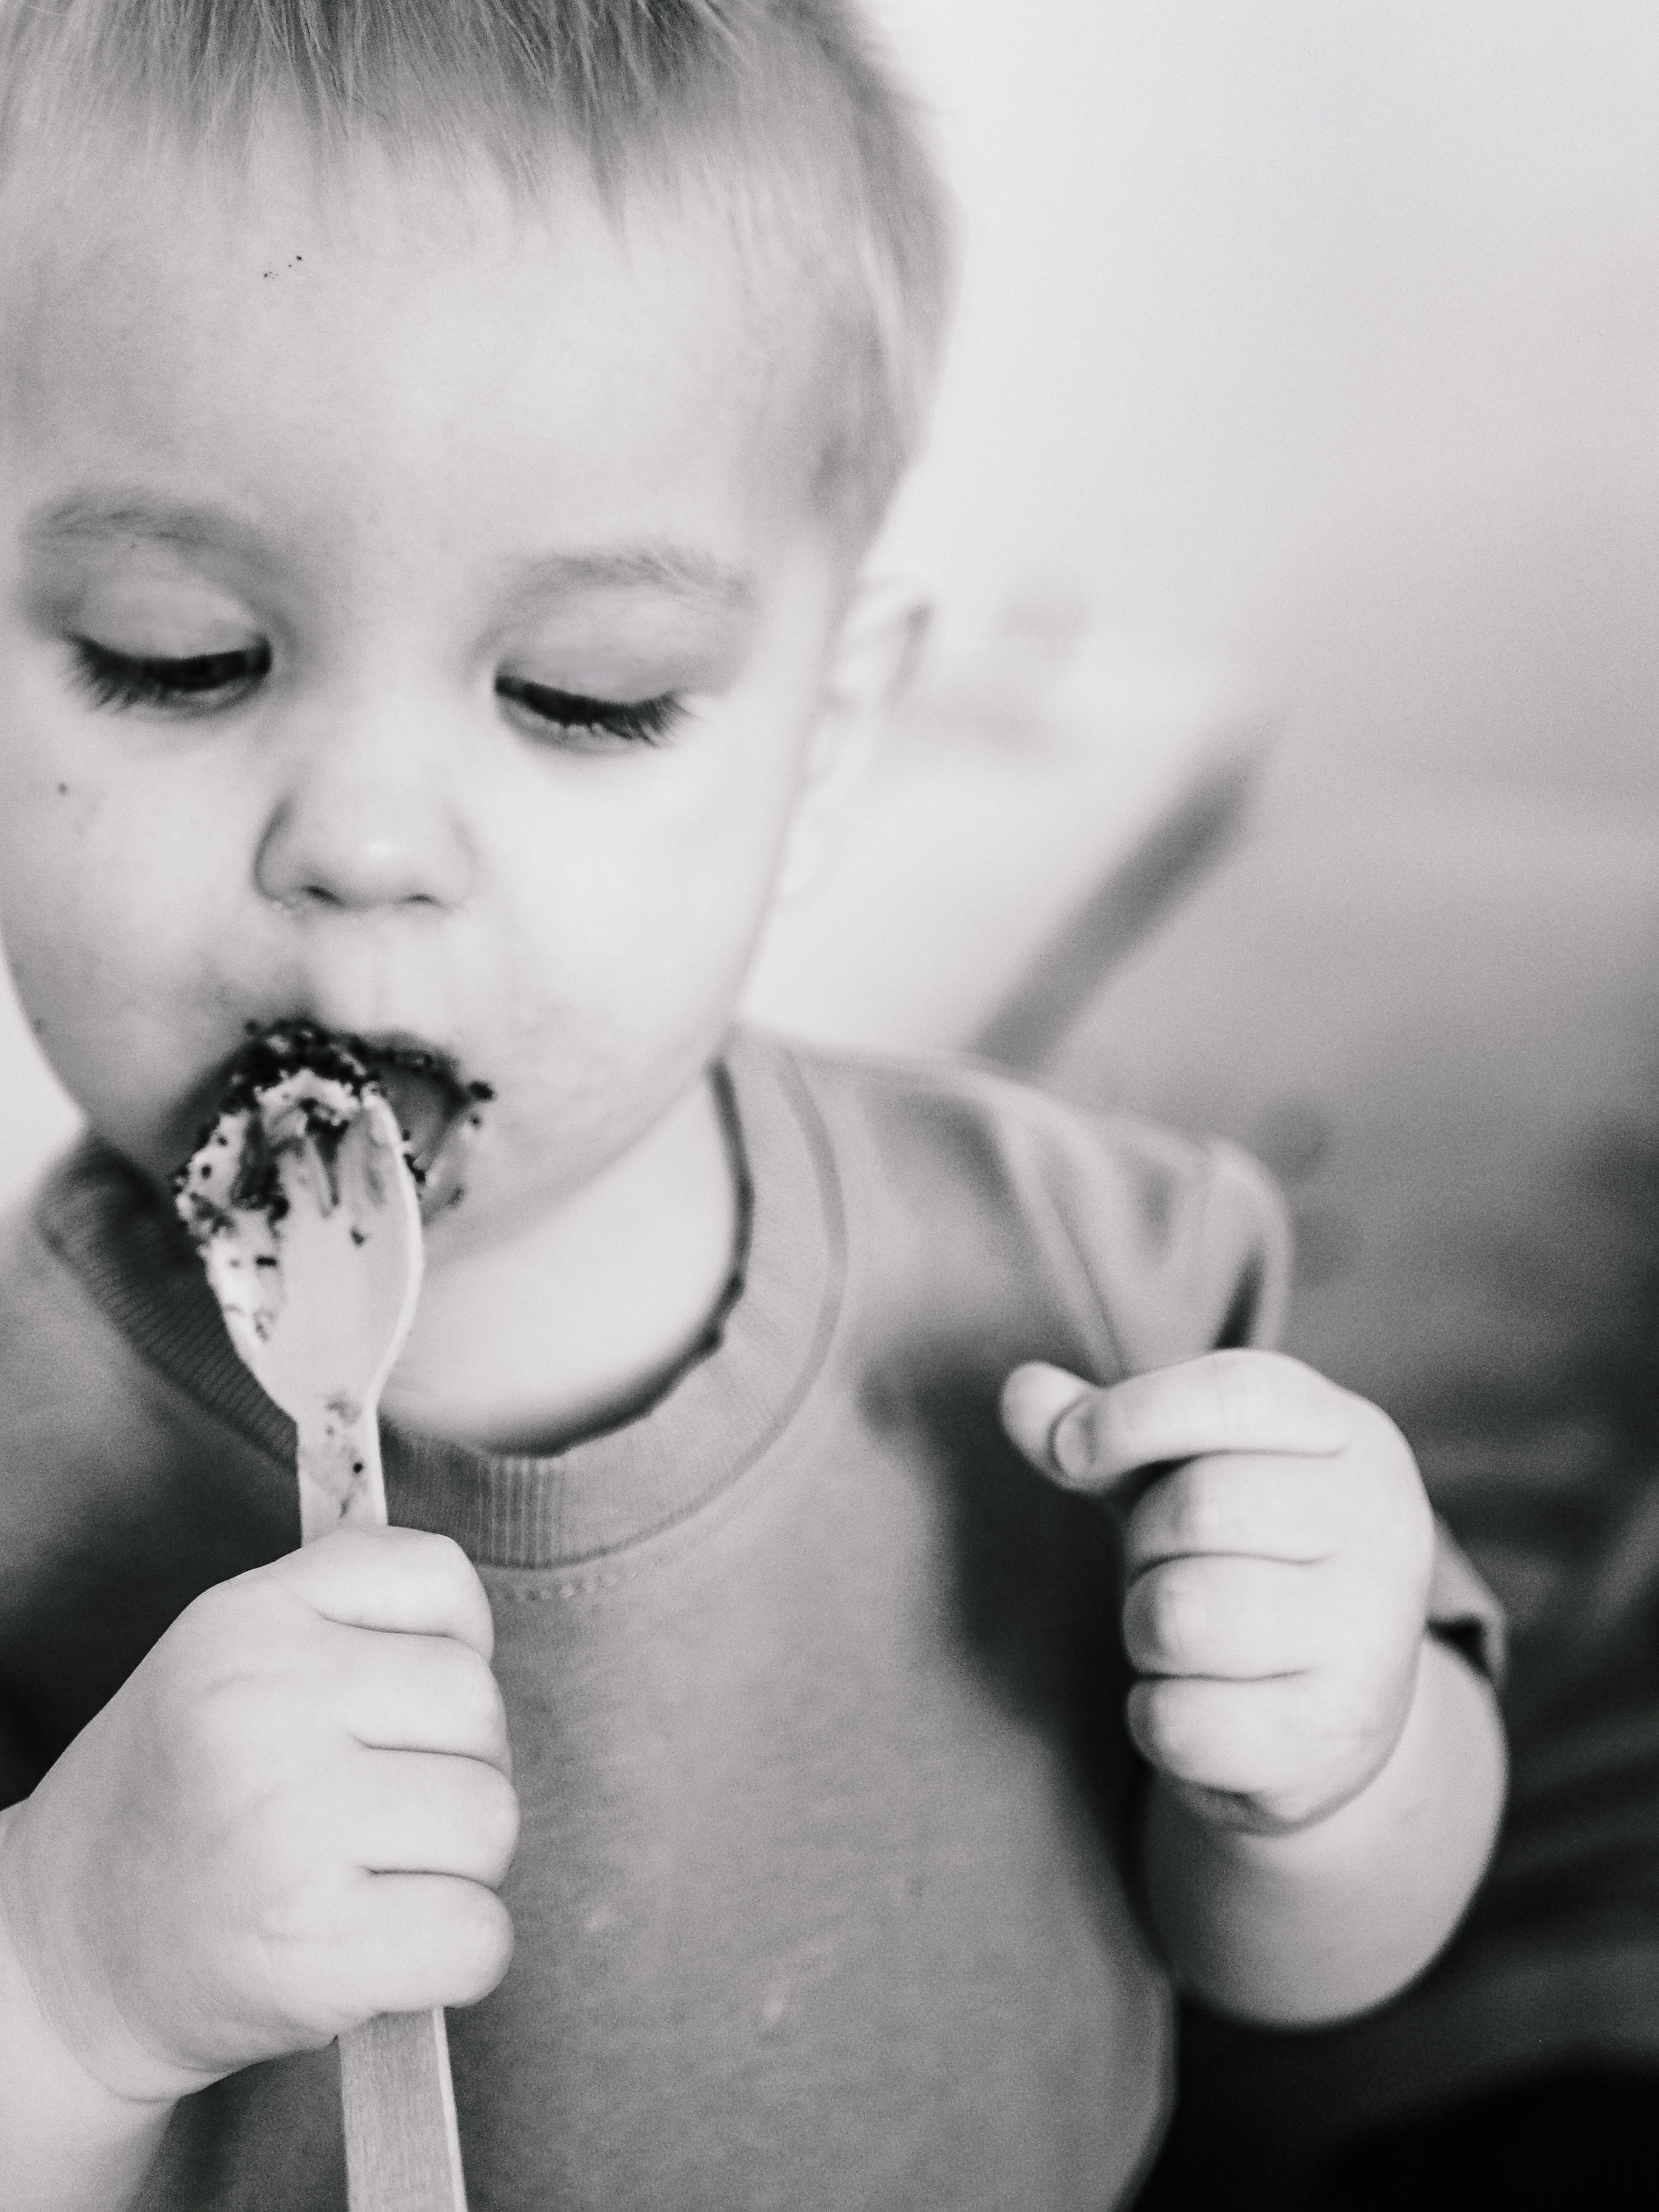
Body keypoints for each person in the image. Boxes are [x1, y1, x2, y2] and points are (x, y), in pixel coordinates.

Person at [0, 5, 1507, 2206]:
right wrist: (67, 1974)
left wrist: (1333, 1770)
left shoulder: (1086, 1277)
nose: (365, 839)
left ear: (822, 747)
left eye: (583, 696)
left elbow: (1295, 1965)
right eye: (175, 656)